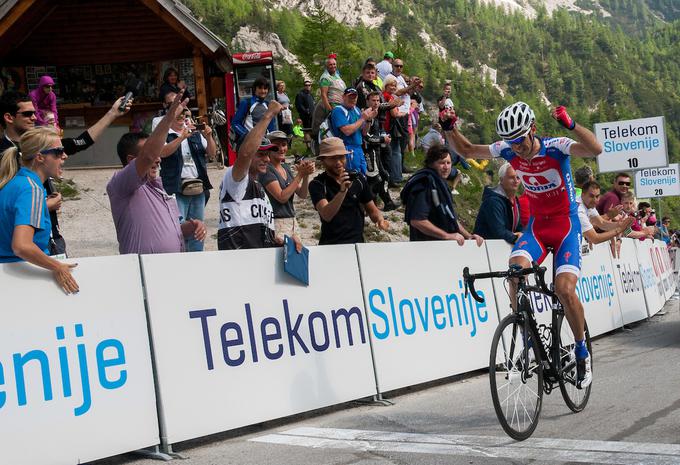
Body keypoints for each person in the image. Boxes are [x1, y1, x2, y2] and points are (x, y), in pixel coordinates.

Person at [444, 101, 603, 389]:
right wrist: (449, 128)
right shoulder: (506, 150)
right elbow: (467, 150)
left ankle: (581, 351)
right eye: (511, 143)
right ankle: (527, 332)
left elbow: (595, 150)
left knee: (564, 290)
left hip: (566, 226)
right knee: (514, 271)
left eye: (519, 141)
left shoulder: (556, 146)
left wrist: (571, 124)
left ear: (532, 130)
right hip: (538, 227)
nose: (516, 148)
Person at [0, 91, 132, 256]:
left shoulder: (44, 142)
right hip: (21, 243)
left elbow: (81, 142)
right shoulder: (4, 153)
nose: (34, 117)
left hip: (52, 236)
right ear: (9, 117)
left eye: (35, 112)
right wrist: (43, 206)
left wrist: (112, 114)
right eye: (27, 113)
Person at [107, 92, 207, 255]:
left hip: (168, 271)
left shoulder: (158, 187)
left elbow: (168, 231)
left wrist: (192, 226)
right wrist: (168, 119)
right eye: (154, 155)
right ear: (131, 160)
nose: (158, 159)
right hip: (142, 272)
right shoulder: (120, 184)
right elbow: (147, 156)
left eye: (158, 155)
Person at [0, 127, 78, 294]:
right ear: (40, 157)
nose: (64, 156)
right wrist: (57, 267)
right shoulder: (32, 189)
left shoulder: (14, 183)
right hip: (23, 277)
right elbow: (21, 246)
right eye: (58, 152)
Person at [218, 100, 302, 251]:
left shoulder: (258, 185)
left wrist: (276, 241)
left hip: (258, 259)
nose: (267, 159)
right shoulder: (235, 179)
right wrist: (268, 115)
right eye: (261, 154)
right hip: (238, 261)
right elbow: (245, 153)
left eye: (268, 154)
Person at [309, 137, 389, 245]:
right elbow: (326, 215)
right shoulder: (317, 184)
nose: (338, 162)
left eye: (341, 157)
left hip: (357, 244)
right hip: (330, 245)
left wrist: (379, 219)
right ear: (323, 160)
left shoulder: (358, 179)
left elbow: (371, 209)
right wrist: (342, 191)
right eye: (332, 158)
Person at [158, 106, 216, 251]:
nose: (182, 117)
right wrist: (182, 137)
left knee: (198, 229)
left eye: (184, 114)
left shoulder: (195, 133)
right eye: (178, 115)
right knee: (178, 228)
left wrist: (209, 137)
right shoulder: (164, 134)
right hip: (175, 189)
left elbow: (212, 154)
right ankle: (180, 259)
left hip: (197, 187)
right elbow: (163, 153)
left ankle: (196, 259)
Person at [401, 145, 483, 245]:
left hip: (442, 247)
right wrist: (447, 236)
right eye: (441, 163)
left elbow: (450, 217)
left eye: (448, 163)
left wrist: (468, 236)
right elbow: (418, 221)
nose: (446, 167)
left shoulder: (439, 183)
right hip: (426, 248)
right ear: (431, 164)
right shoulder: (424, 184)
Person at [259, 130, 314, 242]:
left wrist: (306, 175)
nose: (281, 149)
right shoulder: (267, 170)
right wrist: (300, 175)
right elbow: (282, 197)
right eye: (276, 145)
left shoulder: (286, 168)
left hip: (292, 221)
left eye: (284, 145)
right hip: (277, 222)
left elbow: (302, 194)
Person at [363, 91, 398, 211]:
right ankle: (369, 205)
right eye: (373, 100)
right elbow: (366, 137)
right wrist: (382, 139)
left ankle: (387, 203)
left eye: (378, 100)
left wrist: (384, 137)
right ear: (367, 101)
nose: (376, 103)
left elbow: (379, 130)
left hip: (376, 150)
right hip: (368, 151)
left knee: (384, 175)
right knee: (374, 179)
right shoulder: (367, 114)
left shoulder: (377, 112)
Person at [330, 88, 377, 174]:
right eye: (350, 97)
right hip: (347, 148)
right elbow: (347, 131)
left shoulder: (356, 110)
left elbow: (364, 132)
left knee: (362, 175)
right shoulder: (338, 110)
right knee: (353, 175)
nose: (353, 100)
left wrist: (368, 120)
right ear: (343, 97)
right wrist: (363, 118)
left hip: (358, 147)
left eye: (354, 97)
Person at [473, 163, 523, 244]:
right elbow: (498, 231)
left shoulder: (515, 200)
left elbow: (519, 226)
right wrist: (516, 238)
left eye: (518, 177)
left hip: (503, 247)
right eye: (511, 177)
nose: (516, 180)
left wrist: (522, 235)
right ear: (501, 179)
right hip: (485, 248)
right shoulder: (493, 201)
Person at [578, 180, 633, 248]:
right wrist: (619, 229)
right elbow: (595, 239)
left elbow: (602, 223)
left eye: (597, 196)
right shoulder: (579, 210)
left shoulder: (589, 204)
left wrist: (619, 224)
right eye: (591, 196)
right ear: (582, 195)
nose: (595, 200)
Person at [231, 76, 276, 144]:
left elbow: (271, 127)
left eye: (265, 88)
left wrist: (272, 140)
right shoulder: (246, 103)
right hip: (249, 143)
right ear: (255, 89)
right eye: (260, 88)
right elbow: (235, 123)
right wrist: (246, 135)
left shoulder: (268, 105)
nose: (263, 91)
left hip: (265, 143)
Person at [311, 57, 346, 142]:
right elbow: (323, 94)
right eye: (330, 64)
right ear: (326, 66)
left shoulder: (337, 76)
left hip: (341, 104)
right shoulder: (325, 78)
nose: (333, 66)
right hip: (332, 104)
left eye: (334, 64)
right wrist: (330, 109)